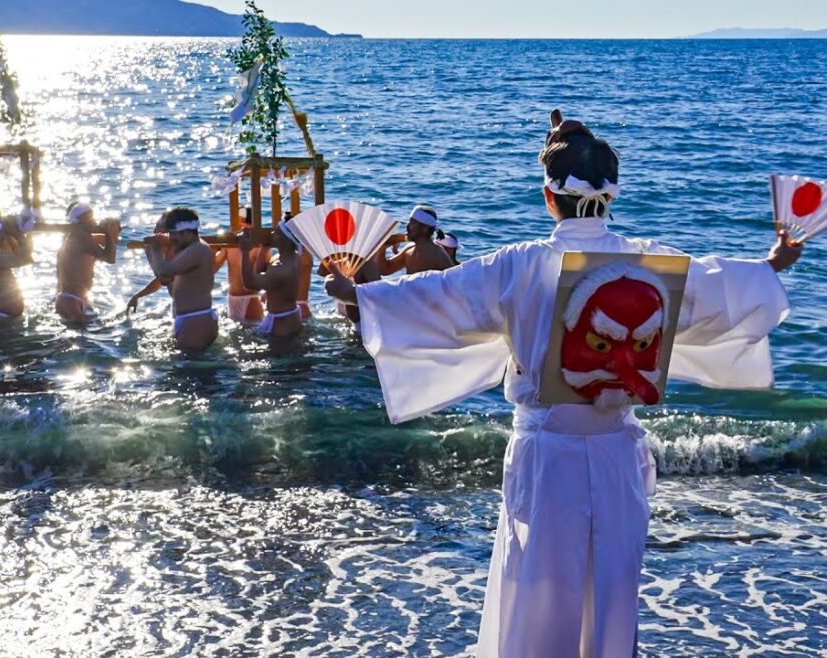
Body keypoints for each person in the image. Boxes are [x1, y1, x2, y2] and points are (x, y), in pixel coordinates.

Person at [324, 110, 802, 658]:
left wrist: (356, 293)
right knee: (612, 591)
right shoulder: (648, 262)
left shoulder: (521, 265)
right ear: (612, 194)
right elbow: (717, 289)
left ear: (549, 197)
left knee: (538, 590)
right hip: (616, 453)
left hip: (548, 457)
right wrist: (771, 265)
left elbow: (439, 297)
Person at [144, 207, 218, 350]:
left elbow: (165, 270)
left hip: (196, 320)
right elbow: (164, 278)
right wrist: (151, 251)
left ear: (186, 232)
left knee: (190, 362)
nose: (171, 238)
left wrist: (155, 249)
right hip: (190, 318)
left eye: (173, 234)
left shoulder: (198, 249)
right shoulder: (190, 248)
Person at [56, 202, 120, 323]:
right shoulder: (82, 238)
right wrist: (108, 234)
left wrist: (110, 234)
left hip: (72, 298)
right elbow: (110, 258)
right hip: (72, 301)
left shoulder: (73, 237)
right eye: (91, 218)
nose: (94, 222)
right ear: (85, 220)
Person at [238, 222, 304, 337]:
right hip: (288, 316)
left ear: (286, 241)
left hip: (282, 325)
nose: (272, 233)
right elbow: (259, 272)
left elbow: (249, 283)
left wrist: (245, 252)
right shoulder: (291, 257)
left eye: (277, 233)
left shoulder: (281, 269)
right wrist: (263, 250)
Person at [379, 205, 457, 275]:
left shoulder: (434, 254)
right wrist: (382, 248)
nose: (407, 226)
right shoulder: (410, 249)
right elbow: (385, 270)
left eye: (412, 223)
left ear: (425, 229)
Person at [223, 207, 268, 324]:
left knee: (251, 332)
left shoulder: (258, 244)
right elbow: (213, 268)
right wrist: (213, 249)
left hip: (250, 298)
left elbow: (268, 273)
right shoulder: (229, 243)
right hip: (232, 298)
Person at [126, 215, 174, 314]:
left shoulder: (180, 251)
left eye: (158, 227)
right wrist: (137, 296)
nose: (154, 231)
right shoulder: (162, 251)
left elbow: (165, 278)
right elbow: (161, 280)